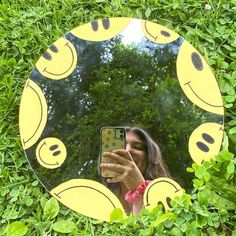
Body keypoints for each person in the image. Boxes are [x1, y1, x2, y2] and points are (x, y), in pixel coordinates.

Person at [100, 126, 170, 215]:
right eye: (123, 145)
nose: (128, 150)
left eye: (138, 147)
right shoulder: (99, 199)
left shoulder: (166, 196)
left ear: (148, 158)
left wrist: (140, 189)